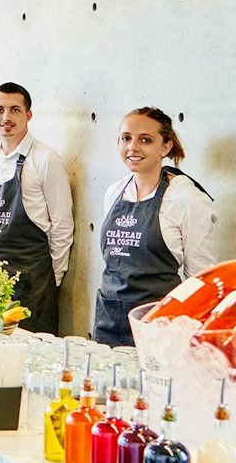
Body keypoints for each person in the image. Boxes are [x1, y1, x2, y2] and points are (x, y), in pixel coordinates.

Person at [93, 107, 218, 346]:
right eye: (126, 138)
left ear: (165, 147)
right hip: (107, 318)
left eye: (146, 140)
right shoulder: (114, 192)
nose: (133, 147)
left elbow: (201, 280)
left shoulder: (188, 199)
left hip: (159, 324)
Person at [0, 83, 73, 335]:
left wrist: (52, 281)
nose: (6, 117)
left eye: (14, 110)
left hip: (34, 283)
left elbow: (62, 225)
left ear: (28, 115)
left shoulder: (45, 159)